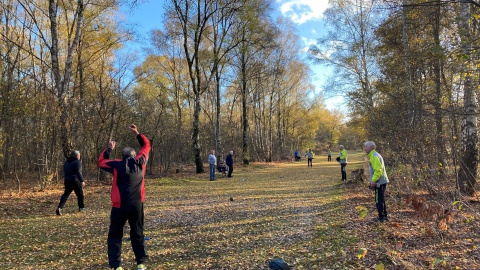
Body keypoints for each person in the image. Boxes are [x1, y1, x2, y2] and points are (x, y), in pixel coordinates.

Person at [97, 124, 150, 270]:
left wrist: (108, 149)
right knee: (137, 232)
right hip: (136, 205)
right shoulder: (141, 162)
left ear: (122, 156)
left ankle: (116, 266)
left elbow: (101, 162)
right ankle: (140, 263)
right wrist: (137, 133)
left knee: (115, 234)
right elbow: (146, 145)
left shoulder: (117, 164)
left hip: (119, 206)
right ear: (135, 155)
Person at [364, 141, 389, 223]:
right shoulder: (374, 155)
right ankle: (384, 216)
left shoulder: (374, 156)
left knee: (378, 200)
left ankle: (381, 218)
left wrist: (373, 181)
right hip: (381, 181)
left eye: (366, 146)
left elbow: (378, 170)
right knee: (381, 199)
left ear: (371, 147)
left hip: (379, 182)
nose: (365, 148)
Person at [56, 150, 86, 215]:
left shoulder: (66, 162)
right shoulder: (77, 162)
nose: (79, 156)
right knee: (80, 194)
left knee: (66, 194)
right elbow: (78, 172)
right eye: (79, 155)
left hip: (67, 180)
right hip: (75, 180)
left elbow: (65, 170)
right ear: (76, 156)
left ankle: (59, 208)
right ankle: (81, 207)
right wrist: (82, 180)